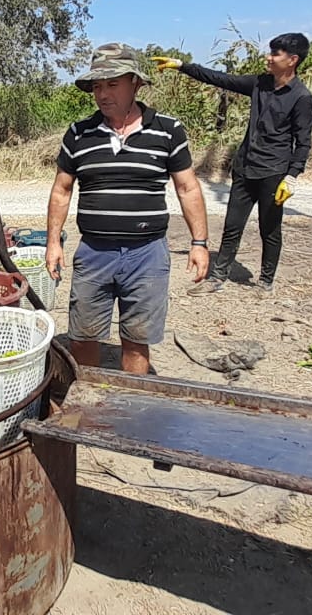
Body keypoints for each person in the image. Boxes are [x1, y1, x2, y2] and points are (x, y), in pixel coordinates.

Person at [46, 43, 212, 375]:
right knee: (82, 337)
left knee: (137, 340)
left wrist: (199, 243)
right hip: (94, 253)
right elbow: (62, 190)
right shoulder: (79, 134)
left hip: (147, 255)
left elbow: (187, 187)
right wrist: (53, 242)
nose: (102, 94)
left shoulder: (167, 130)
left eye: (112, 83)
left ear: (135, 83)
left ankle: (132, 411)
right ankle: (89, 409)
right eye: (97, 86)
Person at [151, 32, 312, 293]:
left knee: (269, 229)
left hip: (274, 173)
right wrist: (183, 66)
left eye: (275, 54)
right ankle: (218, 277)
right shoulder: (260, 84)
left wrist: (292, 176)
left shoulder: (301, 97)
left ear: (292, 60)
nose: (268, 58)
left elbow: (303, 141)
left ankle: (265, 281)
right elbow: (220, 79)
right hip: (245, 168)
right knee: (232, 225)